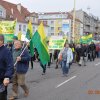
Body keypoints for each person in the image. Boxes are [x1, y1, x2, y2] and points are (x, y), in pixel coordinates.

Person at [0, 34, 14, 100]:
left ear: (1, 41)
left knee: (2, 96)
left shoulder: (6, 51)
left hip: (1, 80)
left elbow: (10, 65)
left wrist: (7, 76)